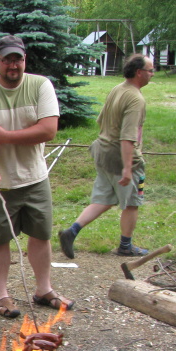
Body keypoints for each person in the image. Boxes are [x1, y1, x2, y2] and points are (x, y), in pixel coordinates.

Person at [0, 35, 74, 318]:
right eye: (7, 60)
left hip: (35, 177)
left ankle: (44, 290)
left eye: (18, 59)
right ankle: (2, 296)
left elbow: (48, 130)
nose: (13, 65)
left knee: (41, 235)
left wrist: (5, 136)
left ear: (24, 60)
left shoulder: (40, 85)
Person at [58, 54, 154, 258]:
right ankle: (126, 246)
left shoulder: (117, 89)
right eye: (150, 71)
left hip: (102, 150)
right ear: (139, 72)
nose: (152, 74)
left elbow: (100, 120)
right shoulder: (135, 99)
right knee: (132, 203)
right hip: (122, 157)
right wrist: (127, 168)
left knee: (104, 199)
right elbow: (127, 136)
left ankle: (71, 232)